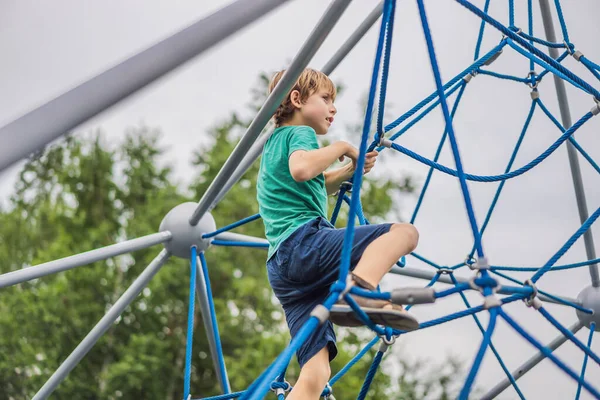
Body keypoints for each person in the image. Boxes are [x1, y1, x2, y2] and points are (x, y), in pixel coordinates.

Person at [256, 68, 420, 399]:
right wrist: (343, 146)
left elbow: (310, 179)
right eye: (326, 99)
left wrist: (347, 171)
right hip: (303, 243)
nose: (334, 108)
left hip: (284, 271)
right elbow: (302, 169)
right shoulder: (299, 133)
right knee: (404, 233)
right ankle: (359, 290)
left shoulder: (274, 145)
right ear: (297, 100)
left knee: (316, 371)